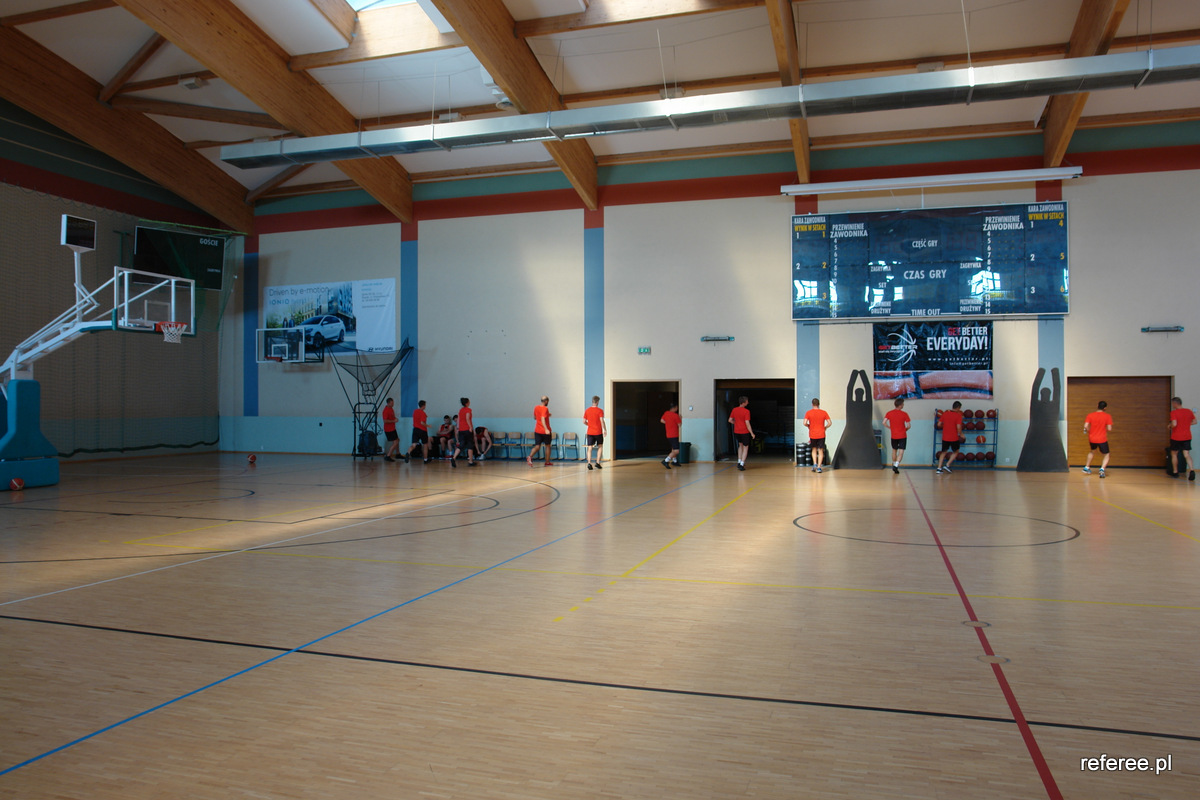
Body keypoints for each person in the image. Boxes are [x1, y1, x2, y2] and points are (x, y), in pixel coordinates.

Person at [1083, 400, 1113, 478]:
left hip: (1092, 438)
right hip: (1102, 438)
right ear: (1105, 408)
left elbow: (1085, 426)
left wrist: (1089, 431)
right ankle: (1102, 469)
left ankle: (1086, 467)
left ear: (1097, 406)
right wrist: (1104, 430)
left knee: (1092, 451)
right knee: (1106, 454)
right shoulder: (1107, 416)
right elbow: (1109, 428)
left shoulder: (1090, 415)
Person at [1168, 396, 1194, 480]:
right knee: (1186, 454)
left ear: (1175, 404)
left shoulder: (1174, 413)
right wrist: (1186, 424)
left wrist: (1170, 426)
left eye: (1172, 404)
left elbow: (1174, 424)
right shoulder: (1189, 411)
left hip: (1176, 437)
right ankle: (1192, 470)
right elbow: (1194, 421)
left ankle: (1175, 472)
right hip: (1187, 436)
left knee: (1174, 454)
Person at [804, 398, 832, 473]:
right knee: (820, 451)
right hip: (821, 434)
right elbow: (830, 423)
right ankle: (819, 467)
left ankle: (815, 464)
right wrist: (825, 427)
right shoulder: (824, 412)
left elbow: (804, 423)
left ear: (812, 404)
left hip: (813, 434)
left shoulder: (808, 412)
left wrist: (809, 426)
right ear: (818, 404)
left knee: (814, 449)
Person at [936, 401, 965, 474]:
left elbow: (939, 424)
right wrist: (961, 434)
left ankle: (939, 468)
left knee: (943, 452)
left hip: (945, 437)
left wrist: (945, 426)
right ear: (958, 408)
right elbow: (958, 427)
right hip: (953, 437)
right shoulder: (958, 416)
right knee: (956, 451)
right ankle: (947, 465)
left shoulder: (945, 413)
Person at [884, 397, 911, 474]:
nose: (903, 405)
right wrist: (905, 430)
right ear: (900, 405)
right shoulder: (904, 414)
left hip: (894, 435)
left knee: (894, 450)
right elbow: (909, 426)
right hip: (902, 435)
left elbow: (884, 422)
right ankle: (896, 465)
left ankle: (893, 463)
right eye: (902, 404)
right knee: (901, 452)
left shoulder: (889, 413)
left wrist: (890, 427)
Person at [729, 396, 754, 471]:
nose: (748, 402)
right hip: (744, 431)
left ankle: (739, 461)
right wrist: (752, 433)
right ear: (744, 402)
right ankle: (742, 464)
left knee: (740, 445)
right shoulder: (746, 411)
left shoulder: (734, 410)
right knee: (746, 447)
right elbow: (747, 423)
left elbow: (730, 420)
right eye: (747, 401)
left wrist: (736, 423)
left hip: (737, 431)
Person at [450, 398, 476, 467]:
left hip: (461, 430)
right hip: (467, 429)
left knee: (461, 445)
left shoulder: (461, 410)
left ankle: (453, 458)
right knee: (470, 445)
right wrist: (470, 427)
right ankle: (470, 461)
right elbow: (467, 419)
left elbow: (458, 419)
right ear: (467, 403)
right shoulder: (468, 410)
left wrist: (458, 427)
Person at [528, 396, 553, 467]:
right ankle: (547, 462)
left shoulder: (536, 407)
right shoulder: (545, 408)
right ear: (546, 401)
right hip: (545, 431)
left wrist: (547, 415)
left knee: (537, 446)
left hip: (537, 430)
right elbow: (542, 419)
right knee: (547, 446)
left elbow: (535, 417)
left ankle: (530, 456)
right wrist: (546, 429)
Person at [583, 395, 606, 470]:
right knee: (600, 446)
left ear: (592, 401)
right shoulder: (600, 410)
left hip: (590, 432)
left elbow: (584, 421)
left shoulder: (587, 410)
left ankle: (589, 463)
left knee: (590, 447)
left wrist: (589, 424)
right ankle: (597, 462)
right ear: (597, 402)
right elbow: (602, 421)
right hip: (598, 432)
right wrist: (605, 429)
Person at [405, 399, 430, 464]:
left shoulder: (415, 411)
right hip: (422, 430)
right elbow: (422, 423)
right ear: (423, 406)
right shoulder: (423, 413)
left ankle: (408, 452)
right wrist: (428, 425)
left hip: (415, 430)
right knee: (425, 445)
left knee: (413, 445)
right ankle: (425, 460)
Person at [661, 402, 683, 469]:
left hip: (668, 434)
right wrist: (680, 418)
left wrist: (669, 423)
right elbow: (679, 425)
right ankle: (666, 460)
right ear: (675, 408)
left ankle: (674, 461)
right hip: (674, 434)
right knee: (676, 451)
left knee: (673, 448)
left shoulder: (666, 413)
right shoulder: (676, 415)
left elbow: (662, 420)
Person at [381, 397, 399, 462]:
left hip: (392, 428)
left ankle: (398, 454)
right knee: (395, 442)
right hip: (389, 430)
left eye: (393, 403)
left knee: (397, 440)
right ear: (388, 403)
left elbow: (392, 417)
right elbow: (385, 421)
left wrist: (395, 419)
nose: (393, 404)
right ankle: (388, 456)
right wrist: (393, 421)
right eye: (391, 403)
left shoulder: (391, 409)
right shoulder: (385, 411)